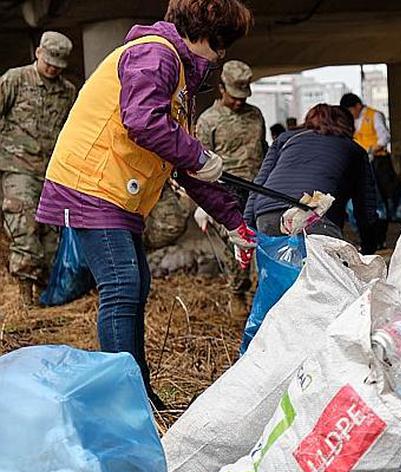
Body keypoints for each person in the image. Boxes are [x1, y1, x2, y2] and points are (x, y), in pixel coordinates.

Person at [37, 0, 256, 409]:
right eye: (222, 42)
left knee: (136, 285)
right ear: (204, 30)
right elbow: (143, 122)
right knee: (122, 285)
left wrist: (234, 221)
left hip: (119, 192)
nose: (223, 53)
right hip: (92, 185)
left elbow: (185, 162)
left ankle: (138, 391)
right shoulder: (155, 53)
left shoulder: (179, 74)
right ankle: (126, 401)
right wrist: (197, 155)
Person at [0, 31, 76, 305]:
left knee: (50, 231)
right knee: (24, 226)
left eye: (59, 63)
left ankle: (48, 295)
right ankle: (24, 297)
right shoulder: (15, 79)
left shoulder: (67, 91)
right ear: (38, 53)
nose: (53, 67)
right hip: (17, 166)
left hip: (52, 171)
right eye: (49, 61)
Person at [244, 103, 381, 253]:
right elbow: (365, 206)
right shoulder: (354, 149)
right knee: (325, 274)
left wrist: (246, 227)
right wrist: (369, 247)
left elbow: (258, 184)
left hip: (268, 215)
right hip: (315, 216)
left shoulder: (285, 139)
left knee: (278, 272)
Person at [195, 59, 266, 296]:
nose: (238, 102)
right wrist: (203, 203)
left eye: (243, 97)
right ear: (221, 88)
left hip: (257, 189)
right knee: (235, 246)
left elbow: (262, 150)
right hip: (226, 192)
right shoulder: (208, 121)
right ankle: (238, 292)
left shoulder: (255, 115)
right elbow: (200, 163)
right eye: (234, 96)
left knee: (262, 244)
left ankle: (262, 295)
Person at [340, 93, 397, 212]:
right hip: (361, 160)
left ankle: (387, 214)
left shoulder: (374, 115)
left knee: (383, 189)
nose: (350, 114)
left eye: (350, 110)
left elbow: (385, 137)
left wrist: (372, 150)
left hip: (378, 160)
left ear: (358, 105)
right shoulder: (352, 121)